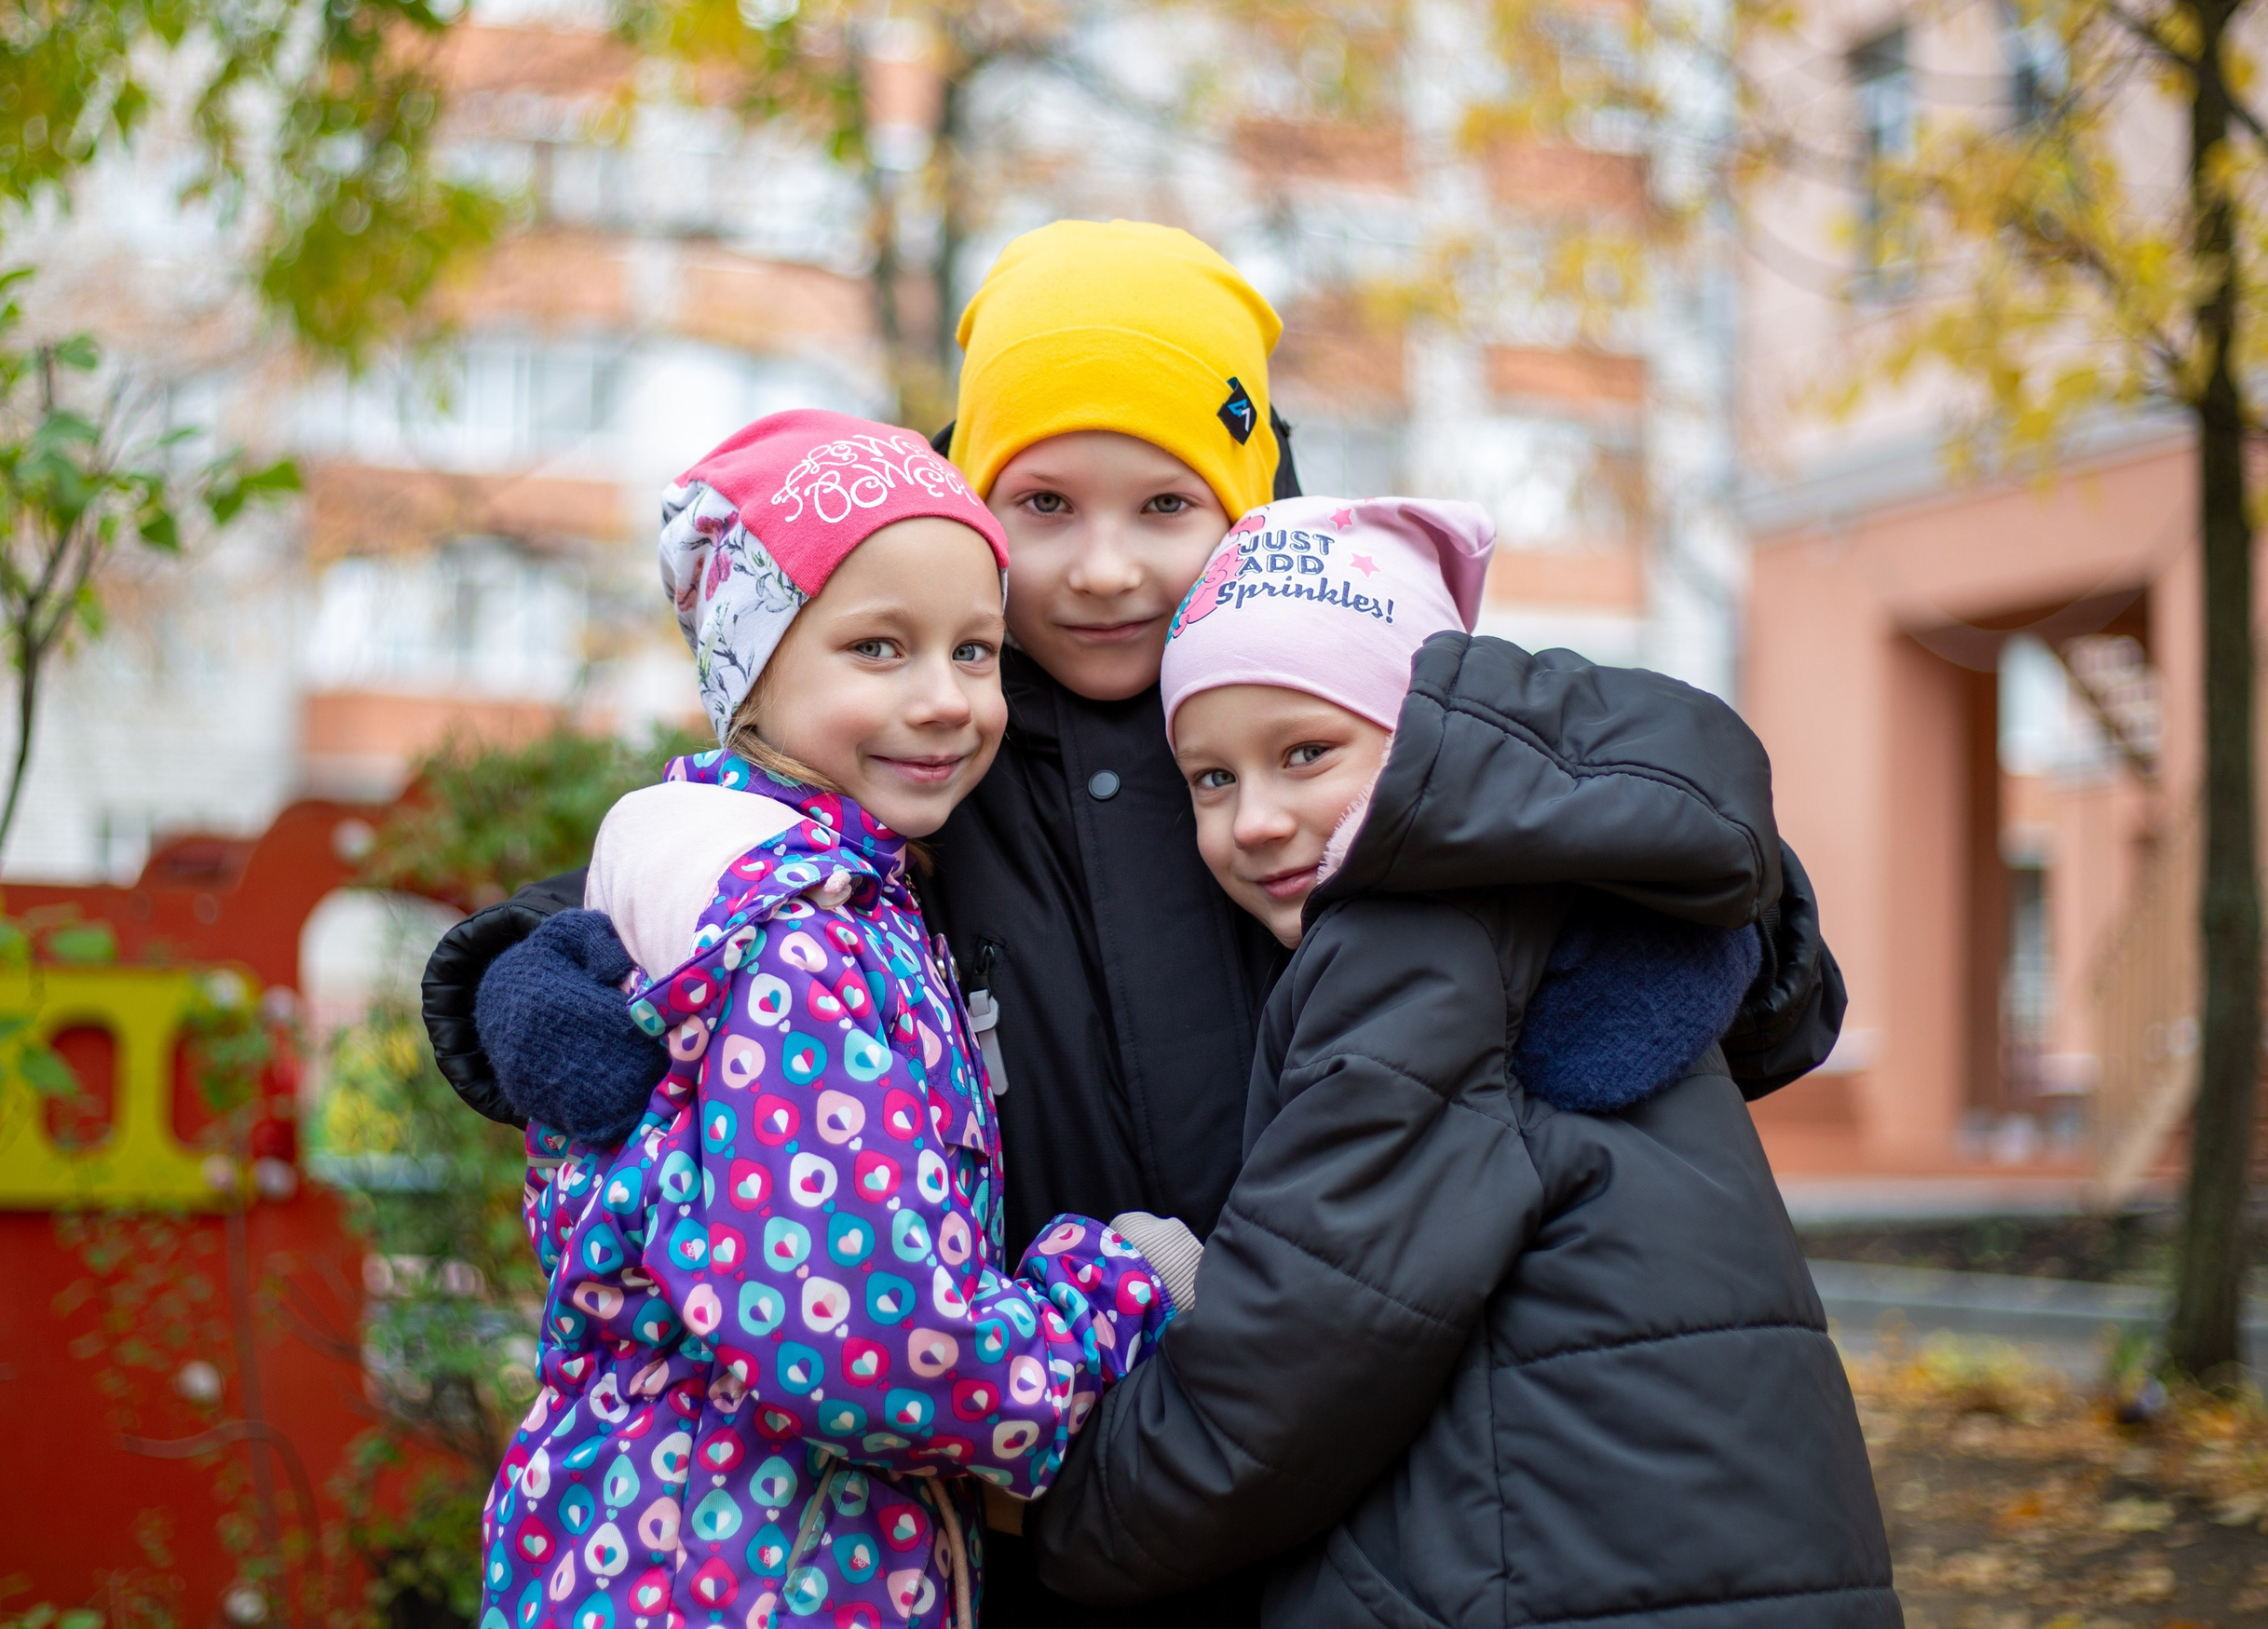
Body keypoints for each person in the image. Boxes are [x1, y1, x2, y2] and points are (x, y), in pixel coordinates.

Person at [424, 222, 1852, 1629]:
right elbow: (744, 851)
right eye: (1044, 507)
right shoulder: (933, 754)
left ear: (1241, 501)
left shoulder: (1326, 706)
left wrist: (1689, 923)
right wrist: (527, 962)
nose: (1104, 569)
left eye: (1164, 507)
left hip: (1353, 1487)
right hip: (1048, 1471)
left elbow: (1621, 835)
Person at [1025, 495, 1900, 1629]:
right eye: (1210, 778)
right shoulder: (1567, 910)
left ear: (1425, 740)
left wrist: (1041, 1516)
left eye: (1306, 752)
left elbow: (1282, 1389)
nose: (1254, 819)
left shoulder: (1417, 948)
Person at [469, 410, 1176, 1629]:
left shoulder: (825, 895)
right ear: (750, 671)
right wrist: (1109, 1289)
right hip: (753, 1573)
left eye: (974, 652)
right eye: (879, 648)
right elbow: (883, 1347)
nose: (947, 699)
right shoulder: (799, 937)